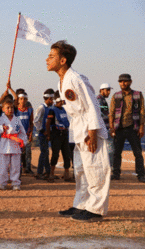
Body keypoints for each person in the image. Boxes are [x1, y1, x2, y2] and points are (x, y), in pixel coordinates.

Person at [47, 40, 111, 222]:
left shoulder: (75, 78)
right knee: (81, 170)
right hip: (78, 129)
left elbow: (92, 106)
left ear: (62, 61)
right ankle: (81, 204)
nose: (46, 59)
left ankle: (96, 209)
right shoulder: (62, 80)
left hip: (90, 128)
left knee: (95, 168)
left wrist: (92, 132)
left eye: (51, 56)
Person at [109, 74, 145, 183]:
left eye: (125, 81)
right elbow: (111, 113)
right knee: (117, 153)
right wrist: (112, 128)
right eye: (121, 81)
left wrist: (141, 127)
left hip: (133, 128)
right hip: (119, 128)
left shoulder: (137, 95)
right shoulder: (115, 96)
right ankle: (116, 174)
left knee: (137, 153)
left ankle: (141, 175)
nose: (123, 83)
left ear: (130, 82)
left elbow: (142, 112)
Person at [0, 100, 28, 190]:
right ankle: (2, 183)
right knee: (2, 166)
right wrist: (2, 128)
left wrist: (23, 141)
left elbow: (22, 132)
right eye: (8, 108)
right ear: (3, 109)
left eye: (12, 107)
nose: (10, 109)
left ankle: (15, 183)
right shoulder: (0, 120)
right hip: (4, 144)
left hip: (15, 144)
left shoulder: (17, 120)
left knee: (16, 166)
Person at [45, 91, 72, 182]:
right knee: (55, 154)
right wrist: (48, 135)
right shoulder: (52, 110)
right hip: (56, 135)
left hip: (64, 135)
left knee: (66, 154)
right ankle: (51, 174)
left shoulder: (63, 109)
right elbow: (48, 123)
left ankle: (66, 174)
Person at [33, 88, 55, 180]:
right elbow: (36, 121)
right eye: (52, 99)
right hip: (42, 135)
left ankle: (48, 171)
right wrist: (43, 131)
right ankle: (39, 173)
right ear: (49, 99)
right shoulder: (41, 108)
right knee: (43, 153)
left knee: (46, 153)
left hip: (48, 134)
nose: (53, 100)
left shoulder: (50, 108)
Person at [96, 83, 115, 169]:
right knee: (110, 149)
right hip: (103, 127)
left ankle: (105, 167)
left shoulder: (102, 99)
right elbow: (100, 114)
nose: (108, 92)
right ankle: (108, 167)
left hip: (104, 127)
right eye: (107, 90)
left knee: (106, 149)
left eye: (109, 90)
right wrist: (111, 116)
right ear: (101, 90)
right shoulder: (100, 99)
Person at [16, 92, 34, 175]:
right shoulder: (15, 110)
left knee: (28, 152)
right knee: (18, 153)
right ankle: (18, 170)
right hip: (17, 135)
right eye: (21, 99)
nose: (23, 100)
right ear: (18, 100)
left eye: (24, 99)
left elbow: (31, 122)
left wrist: (31, 134)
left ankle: (28, 168)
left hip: (26, 135)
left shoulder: (30, 110)